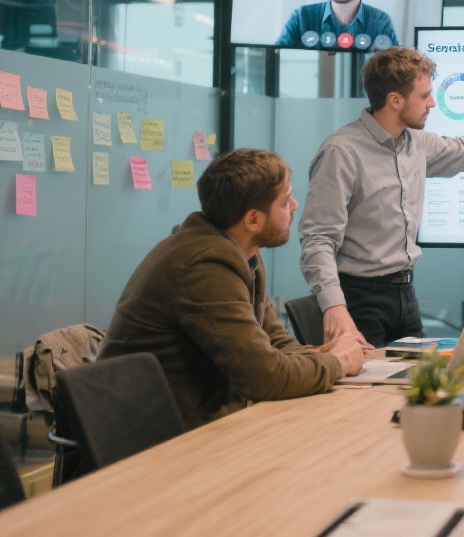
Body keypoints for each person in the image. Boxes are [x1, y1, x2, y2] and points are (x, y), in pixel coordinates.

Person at [300, 47, 464, 348]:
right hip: (360, 300)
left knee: (417, 389)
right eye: (424, 95)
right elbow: (317, 238)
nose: (432, 104)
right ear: (395, 100)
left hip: (405, 295)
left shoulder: (416, 144)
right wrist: (334, 307)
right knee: (367, 391)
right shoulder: (342, 152)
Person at [99, 149, 365, 429]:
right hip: (149, 437)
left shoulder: (241, 251)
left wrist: (324, 356)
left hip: (195, 421)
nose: (295, 206)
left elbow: (275, 343)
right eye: (285, 201)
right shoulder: (206, 266)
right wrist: (337, 363)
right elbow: (263, 376)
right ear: (253, 220)